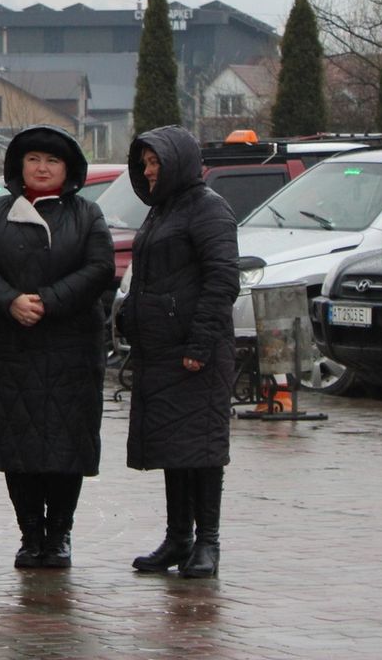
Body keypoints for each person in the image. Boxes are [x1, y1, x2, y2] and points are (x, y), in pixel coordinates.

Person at [0, 126, 114, 569]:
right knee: (18, 446)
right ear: (19, 165)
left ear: (68, 169)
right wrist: (10, 300)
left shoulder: (87, 214)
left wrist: (48, 301)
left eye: (52, 161)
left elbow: (100, 267)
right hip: (10, 348)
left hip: (71, 350)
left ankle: (60, 533)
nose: (42, 168)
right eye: (33, 159)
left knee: (67, 446)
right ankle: (30, 534)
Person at [120, 124, 239, 580]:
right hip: (162, 352)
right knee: (175, 447)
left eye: (156, 162)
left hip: (196, 353)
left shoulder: (209, 209)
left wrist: (200, 344)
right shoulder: (162, 210)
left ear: (178, 162)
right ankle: (178, 538)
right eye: (146, 163)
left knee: (202, 448)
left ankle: (207, 541)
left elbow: (222, 279)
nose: (149, 171)